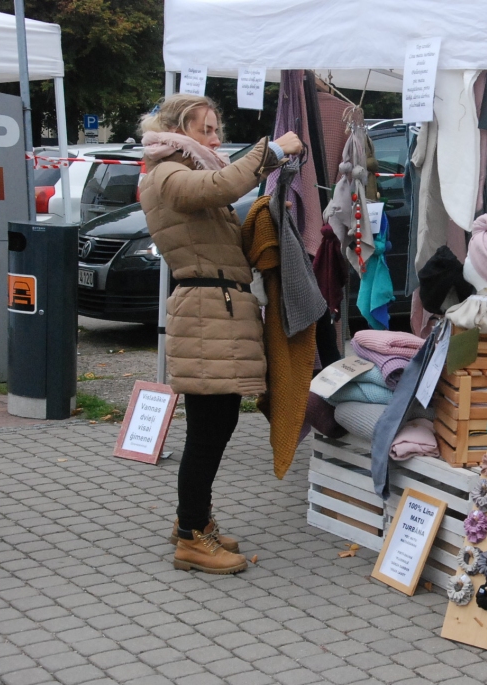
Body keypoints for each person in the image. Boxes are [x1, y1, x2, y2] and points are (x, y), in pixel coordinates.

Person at [138, 94, 302, 574]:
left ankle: (194, 522)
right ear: (178, 130)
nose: (214, 138)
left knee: (215, 425)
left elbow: (219, 207)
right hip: (207, 312)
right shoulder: (168, 170)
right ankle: (191, 535)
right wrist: (269, 151)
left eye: (215, 129)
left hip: (217, 309)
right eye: (205, 129)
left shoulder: (179, 169)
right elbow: (217, 186)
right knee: (210, 430)